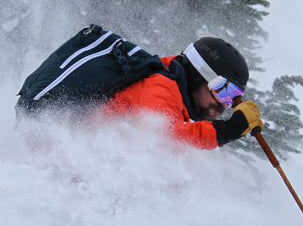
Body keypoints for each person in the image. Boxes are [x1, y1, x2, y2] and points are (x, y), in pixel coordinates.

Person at [98, 37, 263, 150]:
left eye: (231, 99)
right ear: (198, 75)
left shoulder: (173, 95)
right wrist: (228, 130)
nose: (223, 105)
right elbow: (163, 138)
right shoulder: (160, 88)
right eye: (223, 91)